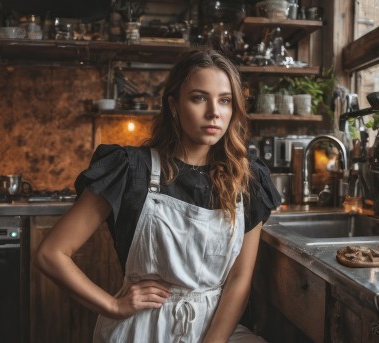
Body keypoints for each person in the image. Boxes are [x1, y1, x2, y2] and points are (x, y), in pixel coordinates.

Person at [35, 48, 281, 342]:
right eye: (199, 98)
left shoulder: (248, 178)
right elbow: (51, 254)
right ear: (174, 105)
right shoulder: (129, 169)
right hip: (143, 329)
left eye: (225, 100)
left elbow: (240, 280)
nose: (214, 111)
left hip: (216, 330)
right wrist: (113, 305)